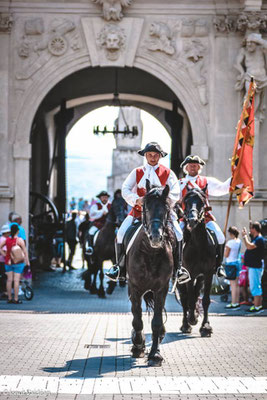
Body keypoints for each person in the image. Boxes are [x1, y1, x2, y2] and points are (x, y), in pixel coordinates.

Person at [105, 142, 190, 284]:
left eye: (155, 155)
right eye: (150, 155)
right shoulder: (137, 172)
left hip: (162, 213)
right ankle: (119, 267)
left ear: (160, 156)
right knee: (120, 233)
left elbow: (176, 191)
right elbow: (125, 188)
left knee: (179, 234)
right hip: (139, 211)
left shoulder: (168, 173)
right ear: (145, 155)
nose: (152, 157)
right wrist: (136, 199)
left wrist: (164, 201)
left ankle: (178, 269)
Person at [178, 155, 231, 277]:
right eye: (190, 165)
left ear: (199, 167)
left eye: (195, 165)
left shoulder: (206, 181)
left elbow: (222, 188)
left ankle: (218, 266)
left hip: (205, 218)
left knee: (220, 237)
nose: (193, 167)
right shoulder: (180, 183)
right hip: (186, 219)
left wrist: (234, 178)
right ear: (186, 167)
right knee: (176, 237)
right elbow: (173, 198)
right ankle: (178, 267)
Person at [235, 33, 267, 120]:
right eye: (247, 42)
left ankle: (254, 115)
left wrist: (259, 40)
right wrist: (242, 72)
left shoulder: (261, 49)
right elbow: (237, 63)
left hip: (262, 78)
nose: (249, 44)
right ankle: (248, 116)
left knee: (257, 98)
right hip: (249, 76)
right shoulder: (244, 50)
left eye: (251, 42)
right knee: (249, 95)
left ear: (256, 43)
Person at [0, 223, 30, 304]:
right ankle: (16, 298)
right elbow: (24, 251)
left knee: (9, 280)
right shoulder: (19, 240)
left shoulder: (7, 240)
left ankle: (9, 298)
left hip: (8, 262)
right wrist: (27, 261)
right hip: (18, 262)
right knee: (16, 280)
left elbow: (0, 247)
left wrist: (5, 255)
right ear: (17, 231)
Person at [242, 221, 265, 314]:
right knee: (254, 286)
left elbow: (249, 246)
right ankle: (256, 305)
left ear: (254, 229)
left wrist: (244, 236)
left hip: (256, 266)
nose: (250, 230)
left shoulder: (259, 239)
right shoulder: (256, 238)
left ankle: (257, 306)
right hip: (253, 266)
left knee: (256, 287)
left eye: (251, 228)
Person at [224, 226, 242, 309]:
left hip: (230, 264)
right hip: (237, 263)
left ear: (231, 233)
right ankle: (237, 302)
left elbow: (226, 255)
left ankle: (233, 302)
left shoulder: (230, 243)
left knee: (233, 285)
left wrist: (225, 248)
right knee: (236, 285)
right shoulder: (239, 241)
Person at [0, 224, 10, 299]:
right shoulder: (4, 240)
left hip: (2, 260)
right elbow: (4, 251)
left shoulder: (2, 239)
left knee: (3, 276)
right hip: (3, 261)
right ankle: (4, 291)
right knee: (5, 276)